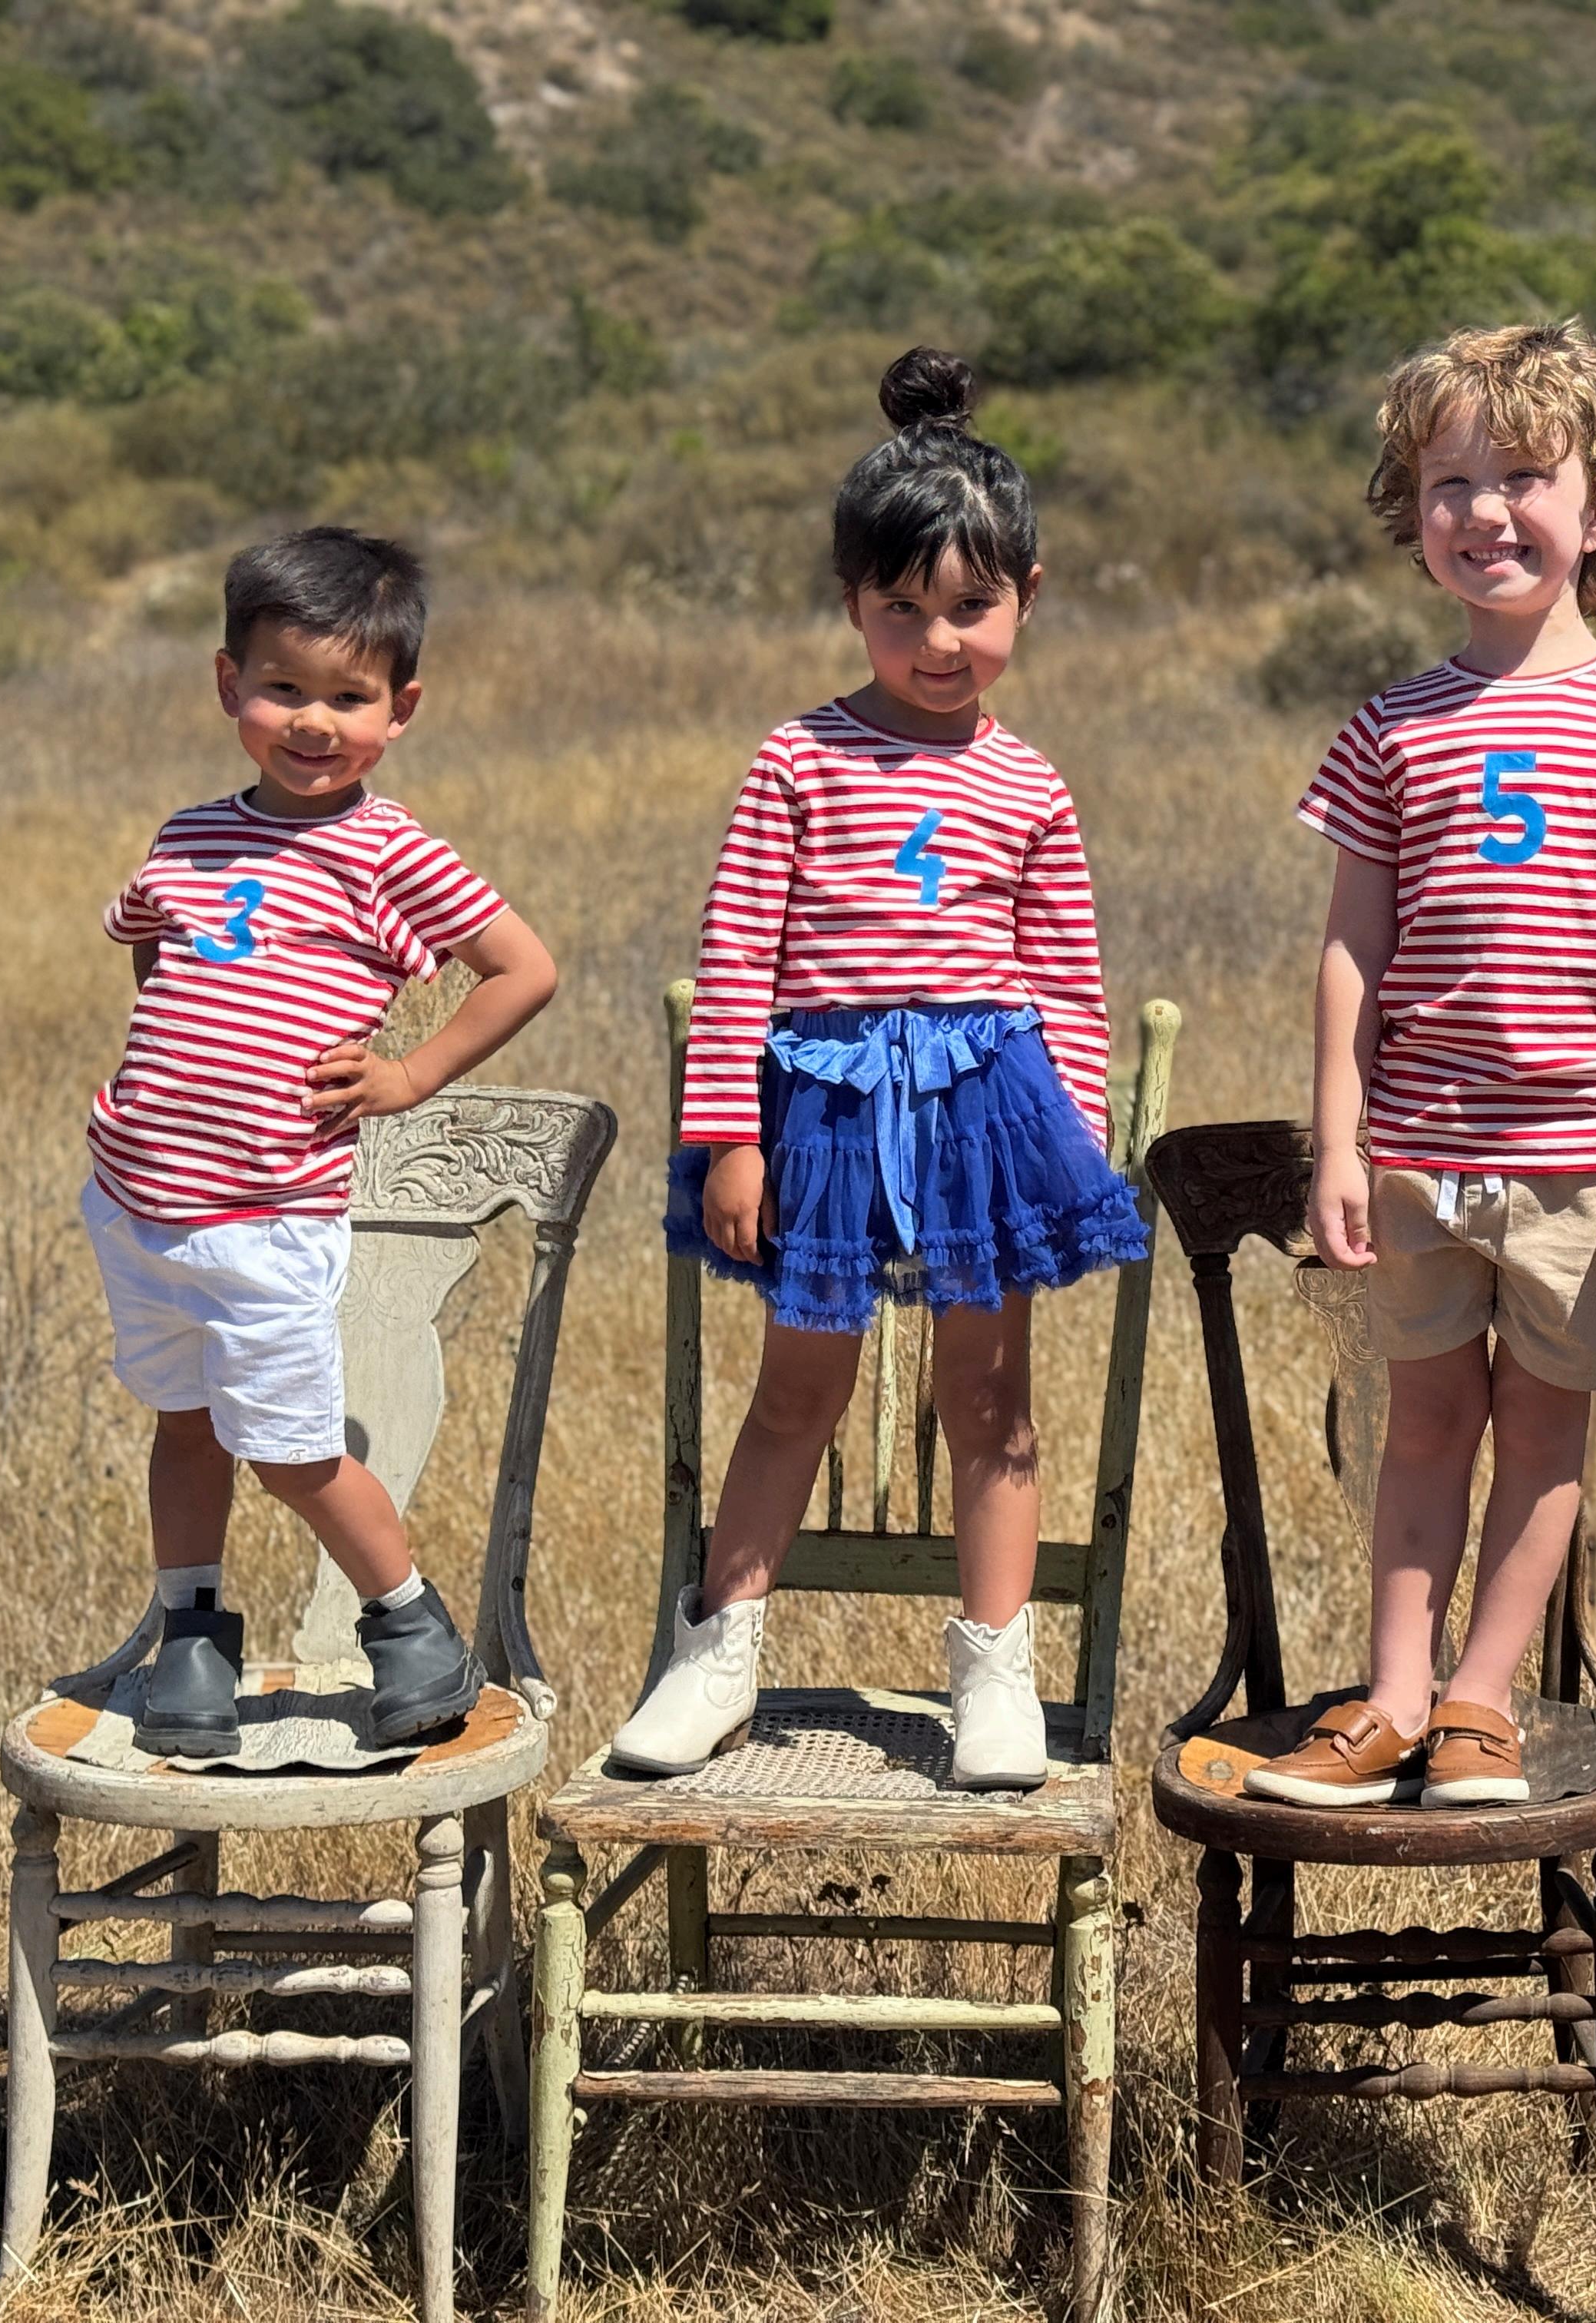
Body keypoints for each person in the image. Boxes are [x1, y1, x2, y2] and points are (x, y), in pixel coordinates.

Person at [1249, 320, 1596, 1811]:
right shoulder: (1391, 728)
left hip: (1584, 1166)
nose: (1486, 512)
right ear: (1413, 516)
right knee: (1421, 1427)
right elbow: (1352, 947)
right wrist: (1340, 1144)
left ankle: (1482, 1703)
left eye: (1524, 477)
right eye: (1450, 484)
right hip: (1420, 1154)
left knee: (1545, 1433)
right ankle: (1392, 1701)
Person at [612, 346, 1147, 1791]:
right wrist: (733, 1138)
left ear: (1029, 596)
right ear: (853, 601)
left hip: (986, 1115)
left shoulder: (1030, 783)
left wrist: (1073, 1146)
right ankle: (717, 1659)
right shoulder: (798, 759)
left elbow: (1066, 982)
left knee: (990, 1400)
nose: (938, 640)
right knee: (798, 1390)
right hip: (827, 1116)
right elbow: (739, 955)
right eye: (902, 608)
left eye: (972, 606)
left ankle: (996, 1676)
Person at [84, 526, 561, 1759]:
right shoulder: (189, 836)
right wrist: (185, 1070)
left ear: (400, 710)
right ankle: (194, 1633)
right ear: (229, 682)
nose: (312, 721)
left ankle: (410, 1624)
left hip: (268, 1216)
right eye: (283, 686)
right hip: (140, 1201)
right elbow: (155, 949)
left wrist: (408, 1074)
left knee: (294, 1453)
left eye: (348, 697)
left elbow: (523, 968)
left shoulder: (388, 851)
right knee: (184, 1425)